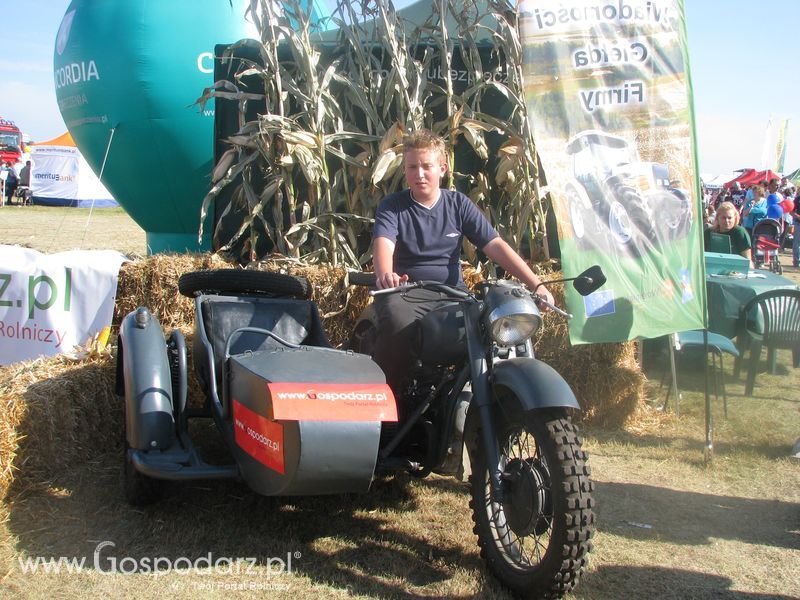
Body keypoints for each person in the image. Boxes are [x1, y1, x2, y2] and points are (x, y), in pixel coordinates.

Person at [371, 129, 553, 395]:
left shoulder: (458, 204)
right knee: (397, 323)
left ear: (442, 169)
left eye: (426, 166)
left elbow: (496, 246)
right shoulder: (393, 206)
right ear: (405, 170)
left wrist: (536, 284)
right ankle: (388, 399)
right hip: (406, 294)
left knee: (491, 329)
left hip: (454, 295)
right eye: (412, 167)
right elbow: (383, 243)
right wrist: (386, 274)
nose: (419, 173)